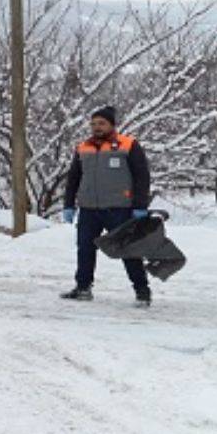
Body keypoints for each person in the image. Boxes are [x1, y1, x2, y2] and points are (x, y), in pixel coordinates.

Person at [60, 105, 153, 306]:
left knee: (128, 250)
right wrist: (69, 204)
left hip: (119, 208)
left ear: (111, 124)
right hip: (89, 209)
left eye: (101, 123)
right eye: (93, 124)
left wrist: (140, 205)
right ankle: (83, 287)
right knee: (85, 249)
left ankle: (142, 291)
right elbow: (73, 178)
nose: (96, 127)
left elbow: (142, 176)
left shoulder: (128, 145)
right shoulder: (83, 147)